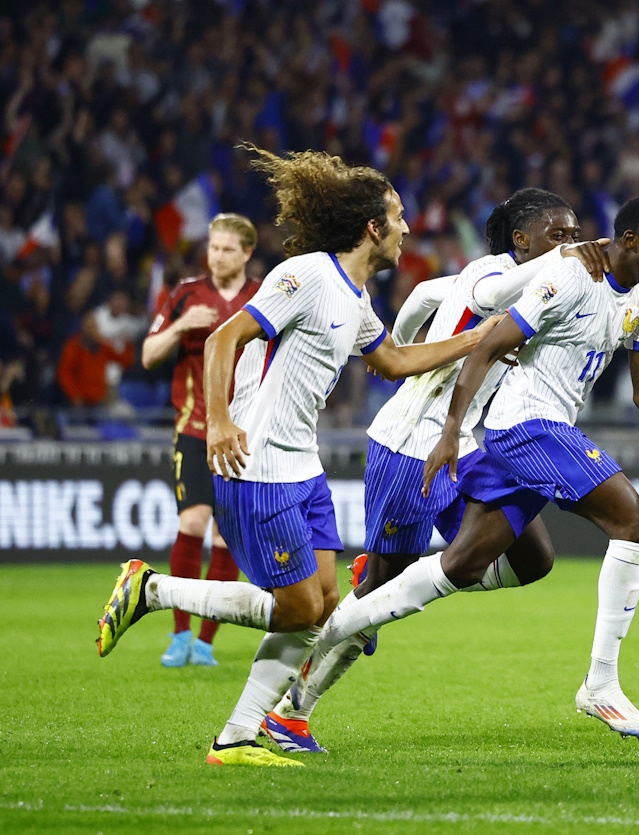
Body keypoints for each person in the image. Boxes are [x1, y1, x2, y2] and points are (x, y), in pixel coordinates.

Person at [95, 146, 504, 767]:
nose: (407, 228)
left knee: (323, 608)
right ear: (372, 227)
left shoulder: (355, 297)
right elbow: (225, 337)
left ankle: (238, 738)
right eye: (398, 217)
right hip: (260, 467)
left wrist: (475, 338)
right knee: (297, 608)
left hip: (303, 468)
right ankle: (151, 590)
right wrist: (221, 421)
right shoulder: (310, 274)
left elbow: (392, 361)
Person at [307, 196, 639, 740]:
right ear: (628, 239)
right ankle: (601, 683)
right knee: (636, 524)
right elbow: (487, 337)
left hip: (492, 431)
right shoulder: (546, 274)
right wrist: (411, 377)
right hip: (509, 428)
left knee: (487, 565)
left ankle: (337, 631)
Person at [259, 188, 613, 754]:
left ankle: (404, 575)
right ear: (523, 240)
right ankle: (290, 713)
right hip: (411, 444)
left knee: (535, 557)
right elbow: (492, 293)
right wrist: (407, 366)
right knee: (376, 598)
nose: (570, 245)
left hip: (466, 444)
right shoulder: (492, 271)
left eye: (574, 235)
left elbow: (425, 292)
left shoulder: (546, 284)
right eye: (558, 234)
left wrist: (405, 345)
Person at [141, 214, 260, 668]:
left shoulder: (262, 296)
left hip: (241, 434)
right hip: (194, 430)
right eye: (213, 248)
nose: (218, 256)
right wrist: (181, 324)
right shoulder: (186, 294)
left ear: (247, 253)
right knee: (192, 523)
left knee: (226, 538)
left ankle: (207, 640)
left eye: (228, 249)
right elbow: (149, 354)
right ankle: (179, 634)